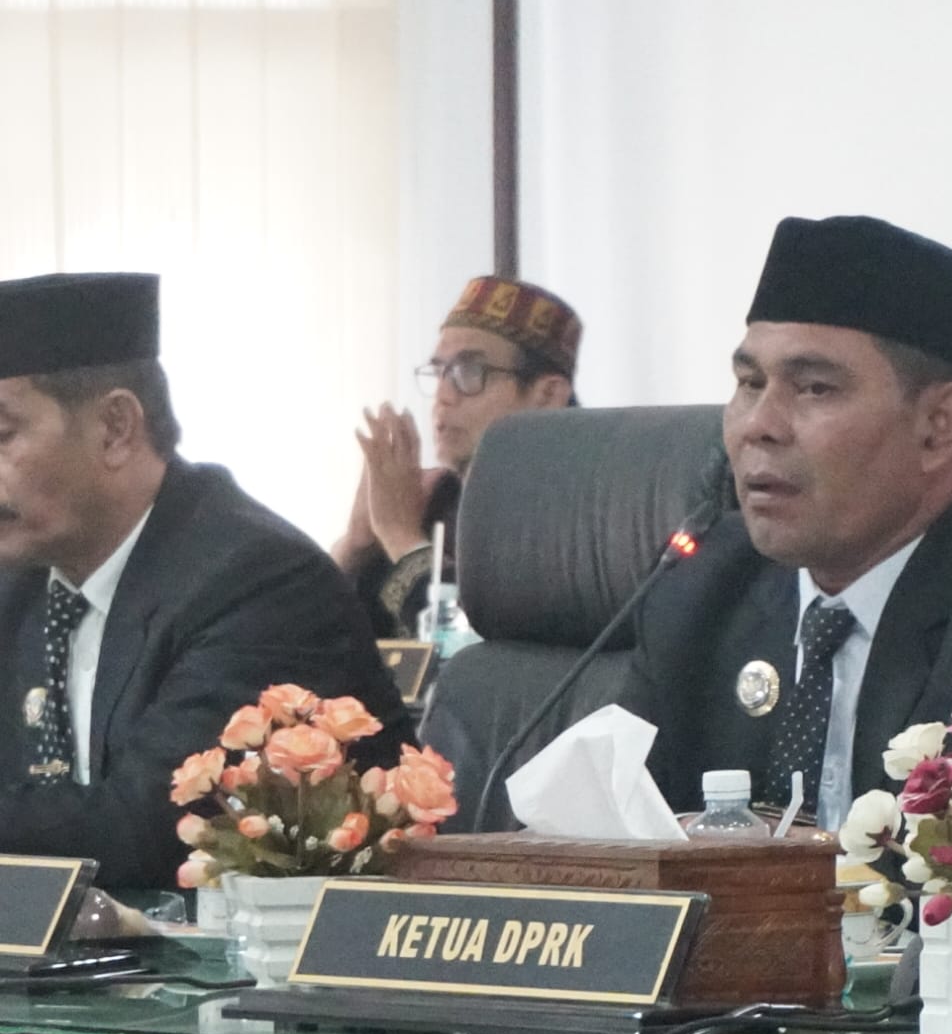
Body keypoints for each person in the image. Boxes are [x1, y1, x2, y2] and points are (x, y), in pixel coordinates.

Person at [618, 215, 952, 830]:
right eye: (748, 383)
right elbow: (615, 827)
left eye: (814, 389)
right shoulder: (701, 583)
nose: (758, 424)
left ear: (938, 426)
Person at [0, 272, 414, 888]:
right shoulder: (23, 582)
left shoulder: (257, 582)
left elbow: (146, 830)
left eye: (3, 434)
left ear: (115, 428)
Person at [330, 276, 581, 638]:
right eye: (439, 372)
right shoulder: (435, 501)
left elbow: (477, 648)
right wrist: (356, 546)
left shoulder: (581, 519)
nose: (443, 396)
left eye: (470, 372)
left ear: (548, 395)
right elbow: (321, 646)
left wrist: (400, 535)